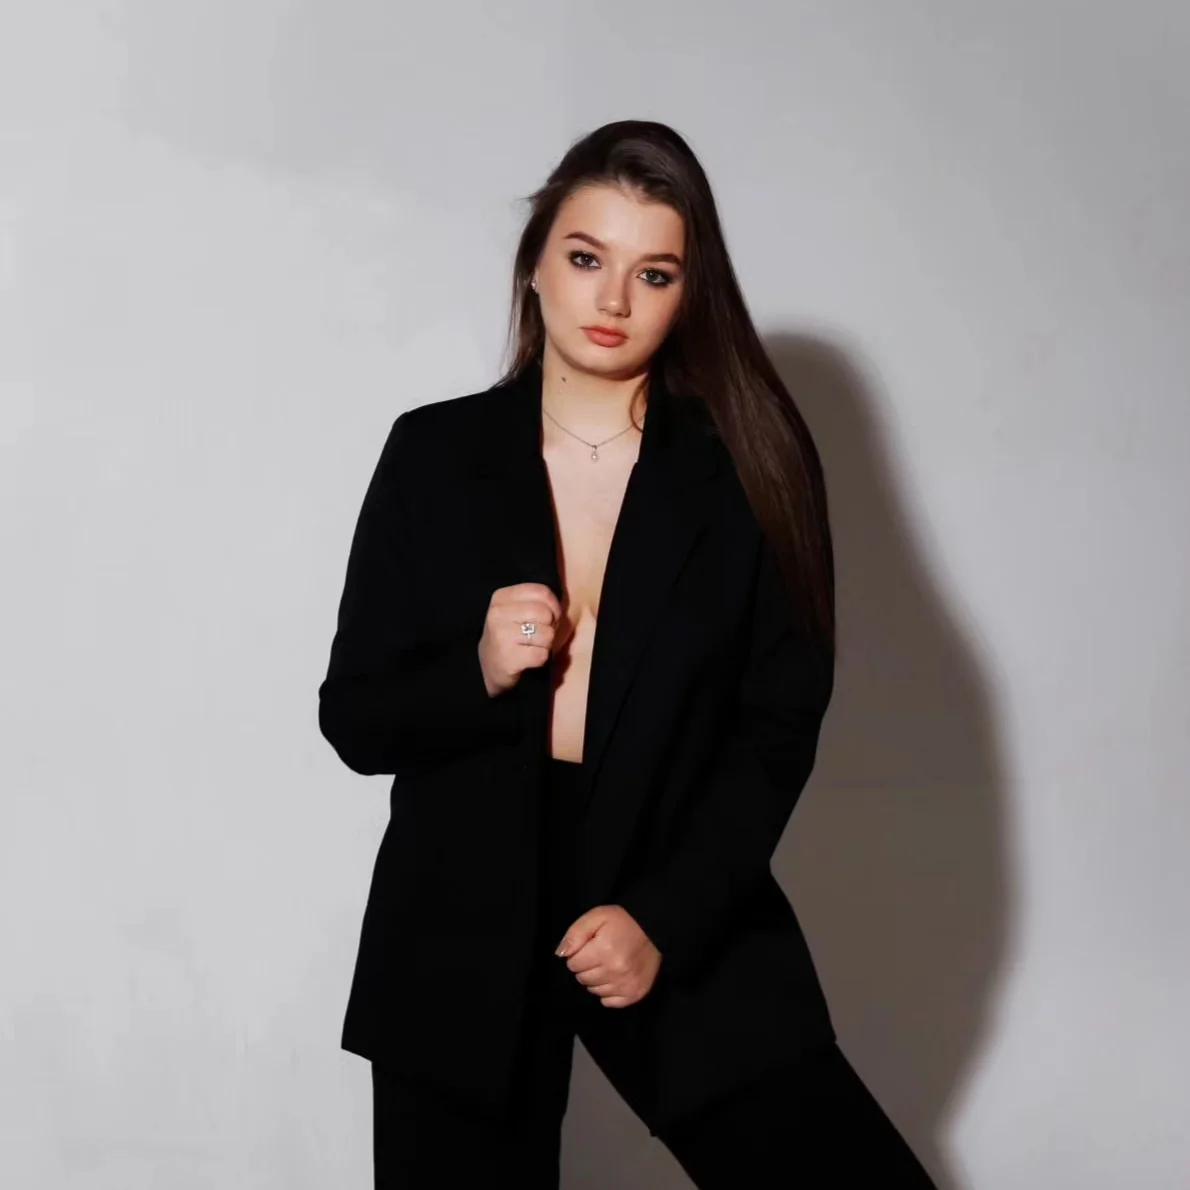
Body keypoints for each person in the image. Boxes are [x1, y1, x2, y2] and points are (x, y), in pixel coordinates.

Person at [318, 119, 938, 1188]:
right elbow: (356, 717)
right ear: (535, 266)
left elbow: (778, 723)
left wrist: (667, 916)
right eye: (585, 258)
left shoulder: (750, 466)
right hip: (463, 908)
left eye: (653, 273)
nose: (612, 299)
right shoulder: (435, 454)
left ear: (689, 292)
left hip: (672, 875)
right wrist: (477, 670)